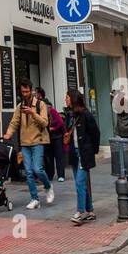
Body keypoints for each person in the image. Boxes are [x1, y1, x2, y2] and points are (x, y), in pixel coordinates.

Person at [4, 81, 54, 210]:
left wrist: (32, 113)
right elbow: (14, 122)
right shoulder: (20, 106)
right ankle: (34, 199)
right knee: (29, 172)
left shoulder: (40, 104)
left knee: (38, 169)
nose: (24, 94)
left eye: (27, 91)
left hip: (38, 141)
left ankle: (48, 186)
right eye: (22, 92)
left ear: (31, 91)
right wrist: (8, 133)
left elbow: (44, 123)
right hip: (25, 143)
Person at [68, 90, 100, 225]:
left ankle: (80, 212)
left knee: (80, 182)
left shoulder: (86, 115)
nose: (66, 100)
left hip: (84, 153)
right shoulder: (72, 115)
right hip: (74, 152)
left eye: (67, 98)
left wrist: (92, 150)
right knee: (80, 182)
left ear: (73, 99)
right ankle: (90, 210)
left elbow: (95, 133)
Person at [39, 87, 67, 182]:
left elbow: (60, 122)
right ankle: (50, 175)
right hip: (48, 138)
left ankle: (61, 175)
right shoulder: (40, 113)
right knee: (49, 157)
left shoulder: (52, 111)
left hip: (57, 137)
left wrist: (53, 128)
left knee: (58, 156)